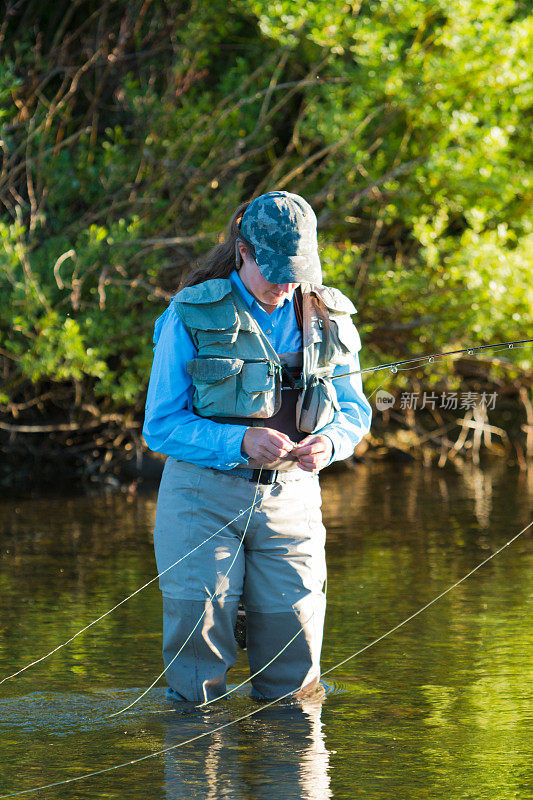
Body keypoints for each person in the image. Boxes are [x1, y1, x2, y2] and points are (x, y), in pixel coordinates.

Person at [143, 190, 372, 703]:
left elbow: (356, 411)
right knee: (197, 661)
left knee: (295, 664)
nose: (286, 283)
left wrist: (330, 445)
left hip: (292, 500)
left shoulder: (330, 317)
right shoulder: (188, 314)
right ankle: (200, 768)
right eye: (273, 268)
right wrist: (239, 439)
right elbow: (160, 426)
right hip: (200, 500)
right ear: (242, 250)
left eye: (297, 270)